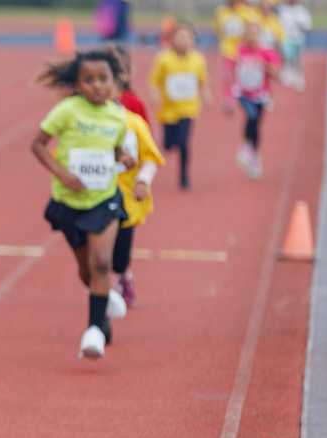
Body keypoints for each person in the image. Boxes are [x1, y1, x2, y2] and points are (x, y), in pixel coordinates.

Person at [31, 48, 134, 359]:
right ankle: (104, 306)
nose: (97, 85)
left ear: (114, 81)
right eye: (88, 80)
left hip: (103, 199)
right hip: (69, 202)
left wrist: (124, 157)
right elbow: (38, 145)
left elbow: (113, 149)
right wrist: (62, 175)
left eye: (103, 78)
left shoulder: (118, 115)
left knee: (101, 263)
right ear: (77, 84)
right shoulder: (67, 111)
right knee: (86, 270)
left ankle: (93, 331)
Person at [113, 69, 166, 307]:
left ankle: (123, 274)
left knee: (119, 255)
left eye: (107, 82)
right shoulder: (81, 123)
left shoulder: (133, 122)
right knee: (98, 257)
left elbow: (150, 156)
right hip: (92, 199)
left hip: (127, 198)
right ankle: (101, 300)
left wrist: (143, 180)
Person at [149, 23, 209, 190]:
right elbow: (155, 80)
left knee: (184, 142)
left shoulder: (198, 59)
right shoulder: (163, 59)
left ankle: (184, 176)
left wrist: (206, 94)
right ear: (172, 40)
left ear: (193, 40)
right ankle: (168, 142)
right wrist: (154, 93)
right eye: (180, 37)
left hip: (188, 108)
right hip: (168, 110)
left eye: (188, 38)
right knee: (168, 144)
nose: (184, 41)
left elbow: (202, 80)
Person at [234, 21, 280, 179]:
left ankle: (255, 156)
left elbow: (276, 74)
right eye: (249, 33)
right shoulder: (240, 50)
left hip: (261, 95)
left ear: (259, 35)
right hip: (243, 93)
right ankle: (246, 147)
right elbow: (234, 69)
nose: (251, 36)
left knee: (256, 124)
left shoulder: (267, 52)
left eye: (255, 33)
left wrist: (265, 65)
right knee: (251, 116)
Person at [214, 0, 259, 113]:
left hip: (243, 51)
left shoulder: (248, 12)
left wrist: (248, 38)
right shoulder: (222, 12)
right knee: (228, 76)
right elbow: (218, 30)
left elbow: (254, 29)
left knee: (242, 76)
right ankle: (229, 101)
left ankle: (247, 97)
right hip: (227, 50)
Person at [277, 0, 312, 91]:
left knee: (297, 59)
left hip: (298, 39)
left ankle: (299, 78)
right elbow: (278, 24)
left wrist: (300, 25)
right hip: (286, 38)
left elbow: (308, 26)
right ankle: (288, 75)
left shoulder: (302, 11)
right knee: (287, 57)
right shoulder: (283, 10)